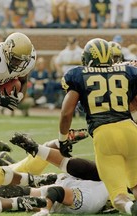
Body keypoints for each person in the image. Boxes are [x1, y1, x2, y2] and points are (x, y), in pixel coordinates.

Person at [57, 38, 137, 215]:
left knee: (118, 196)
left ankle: (130, 208)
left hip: (104, 134)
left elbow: (66, 113)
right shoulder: (128, 71)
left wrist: (63, 139)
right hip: (131, 130)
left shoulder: (78, 75)